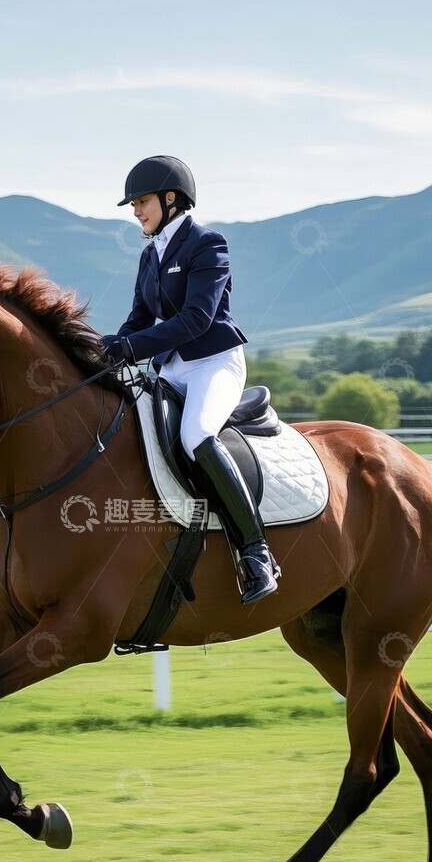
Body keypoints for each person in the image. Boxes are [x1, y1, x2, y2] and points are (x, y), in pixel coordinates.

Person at [101, 155, 280, 603]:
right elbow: (138, 320)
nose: (135, 211)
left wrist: (130, 347)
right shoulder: (150, 255)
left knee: (196, 434)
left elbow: (197, 319)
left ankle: (256, 551)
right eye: (133, 204)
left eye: (141, 202)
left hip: (214, 362)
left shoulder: (207, 244)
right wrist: (102, 348)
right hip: (171, 368)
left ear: (171, 199)